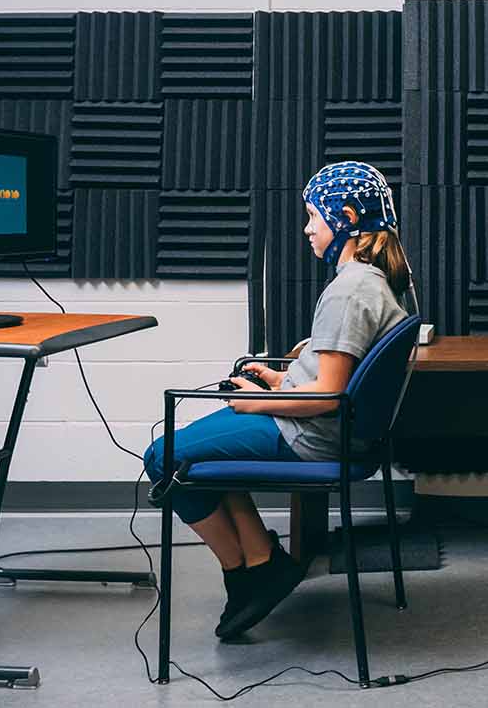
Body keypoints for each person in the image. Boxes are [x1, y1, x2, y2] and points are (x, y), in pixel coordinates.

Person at [144, 161, 411, 641]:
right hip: (323, 429)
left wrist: (256, 403)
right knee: (199, 455)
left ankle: (244, 573)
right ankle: (262, 561)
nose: (307, 229)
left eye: (313, 217)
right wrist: (278, 379)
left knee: (164, 457)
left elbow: (328, 395)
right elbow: (338, 377)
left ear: (347, 218)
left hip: (308, 435)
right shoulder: (377, 281)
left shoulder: (350, 291)